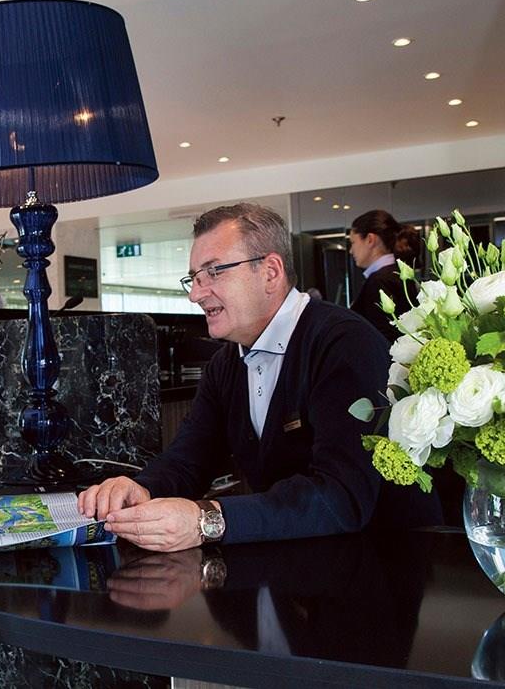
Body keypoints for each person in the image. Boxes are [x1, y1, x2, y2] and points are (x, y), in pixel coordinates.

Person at [78, 203, 440, 552]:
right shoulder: (225, 364)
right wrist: (141, 488)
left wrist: (207, 520)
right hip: (295, 568)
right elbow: (189, 458)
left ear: (270, 272)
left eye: (214, 272)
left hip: (386, 564)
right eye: (194, 278)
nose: (196, 294)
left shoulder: (345, 342)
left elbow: (341, 496)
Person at [348, 209, 420, 341]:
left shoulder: (379, 281)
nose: (351, 250)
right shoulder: (399, 274)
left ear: (370, 239)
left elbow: (383, 337)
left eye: (353, 242)